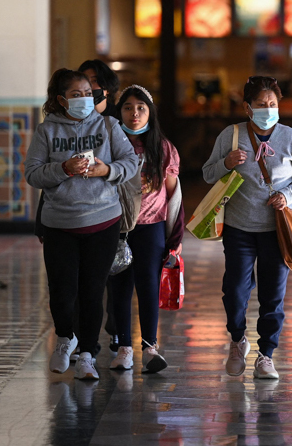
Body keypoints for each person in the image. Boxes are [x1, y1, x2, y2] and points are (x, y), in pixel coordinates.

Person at [25, 68, 140, 382]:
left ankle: (87, 354)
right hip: (59, 223)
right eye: (77, 95)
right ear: (62, 100)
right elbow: (32, 174)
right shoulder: (46, 131)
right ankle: (66, 337)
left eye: (89, 94)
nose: (85, 100)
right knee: (62, 291)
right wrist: (63, 167)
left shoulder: (108, 125)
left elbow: (130, 163)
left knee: (92, 292)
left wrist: (107, 169)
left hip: (103, 220)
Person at [202, 76, 292, 380]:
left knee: (272, 294)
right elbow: (207, 173)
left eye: (273, 104)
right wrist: (226, 162)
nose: (268, 109)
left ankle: (266, 354)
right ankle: (237, 340)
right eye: (261, 105)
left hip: (277, 229)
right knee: (235, 290)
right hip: (239, 227)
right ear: (247, 108)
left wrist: (287, 195)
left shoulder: (291, 138)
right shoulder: (232, 135)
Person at [106, 84, 184, 374]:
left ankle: (150, 348)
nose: (134, 113)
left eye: (141, 107)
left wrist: (174, 237)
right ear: (119, 112)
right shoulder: (109, 143)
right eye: (127, 107)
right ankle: (124, 349)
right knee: (119, 288)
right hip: (115, 226)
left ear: (150, 111)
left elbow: (173, 194)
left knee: (148, 286)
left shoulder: (163, 148)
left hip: (151, 228)